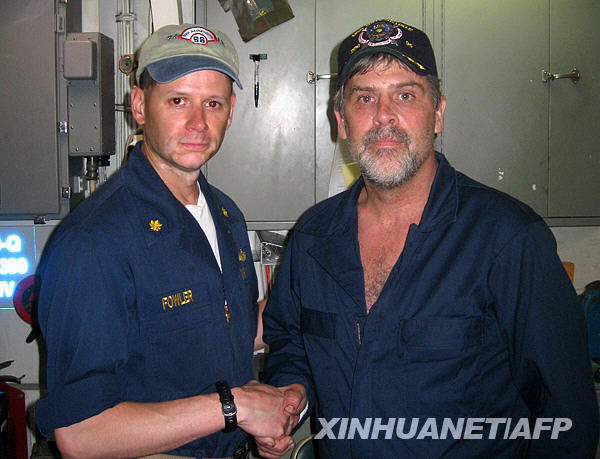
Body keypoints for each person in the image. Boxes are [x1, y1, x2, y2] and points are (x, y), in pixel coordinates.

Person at [258, 19, 599, 458]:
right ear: (342, 121)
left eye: (405, 95)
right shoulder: (312, 237)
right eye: (365, 97)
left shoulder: (508, 239)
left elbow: (566, 415)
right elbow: (291, 337)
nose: (384, 115)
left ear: (437, 113)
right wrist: (292, 392)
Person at [34, 23, 304, 459]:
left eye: (212, 103)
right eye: (178, 100)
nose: (198, 122)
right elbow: (80, 435)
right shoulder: (94, 242)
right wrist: (236, 408)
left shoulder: (226, 216)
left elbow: (227, 327)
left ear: (230, 112)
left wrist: (318, 299)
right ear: (140, 106)